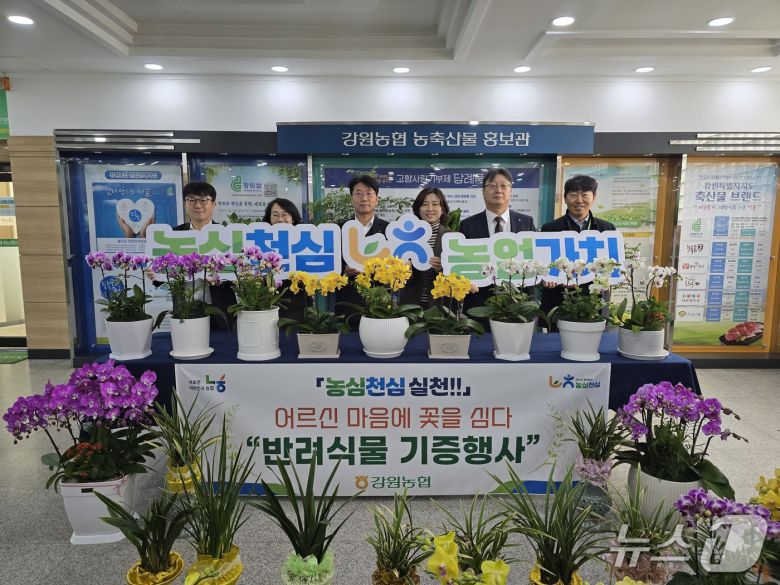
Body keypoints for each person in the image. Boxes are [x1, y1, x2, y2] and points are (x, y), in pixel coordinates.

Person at [148, 181, 236, 331]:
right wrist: (155, 274)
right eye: (192, 200)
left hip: (220, 307)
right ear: (185, 204)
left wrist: (223, 279)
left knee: (222, 343)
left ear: (214, 204)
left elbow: (239, 273)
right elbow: (161, 273)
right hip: (185, 308)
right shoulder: (172, 234)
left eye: (204, 200)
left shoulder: (228, 234)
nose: (198, 205)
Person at [459, 168, 536, 322]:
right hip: (480, 301)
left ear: (510, 191)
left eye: (503, 186)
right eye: (492, 186)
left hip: (519, 301)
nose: (498, 190)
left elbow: (533, 257)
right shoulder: (467, 225)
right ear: (483, 192)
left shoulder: (526, 222)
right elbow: (462, 262)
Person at [540, 174, 617, 328]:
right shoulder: (550, 228)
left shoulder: (607, 229)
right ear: (565, 198)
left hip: (593, 300)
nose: (579, 200)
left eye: (585, 195)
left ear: (593, 197)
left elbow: (612, 266)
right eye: (573, 195)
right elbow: (544, 264)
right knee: (556, 340)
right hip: (558, 298)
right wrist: (546, 278)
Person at [334, 175, 389, 328]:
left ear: (377, 199)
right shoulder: (338, 229)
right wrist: (344, 270)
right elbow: (329, 263)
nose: (364, 198)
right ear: (352, 199)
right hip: (347, 303)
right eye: (358, 193)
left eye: (369, 193)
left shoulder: (389, 230)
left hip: (379, 304)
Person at [399, 187, 450, 309]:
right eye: (425, 204)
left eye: (435, 204)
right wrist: (405, 270)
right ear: (418, 209)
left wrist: (443, 268)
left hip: (441, 305)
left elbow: (459, 274)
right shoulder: (405, 236)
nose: (430, 209)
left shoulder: (451, 237)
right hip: (410, 304)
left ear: (442, 209)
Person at [262, 197, 306, 323]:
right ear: (269, 219)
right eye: (275, 215)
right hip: (268, 301)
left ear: (293, 218)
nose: (280, 219)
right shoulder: (261, 241)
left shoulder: (304, 239)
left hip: (297, 300)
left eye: (285, 215)